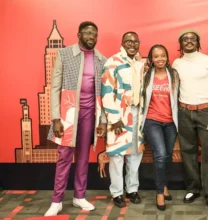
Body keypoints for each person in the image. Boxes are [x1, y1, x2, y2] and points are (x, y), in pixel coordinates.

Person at [45, 21, 107, 216]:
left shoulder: (101, 59)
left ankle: (79, 196)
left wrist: (103, 119)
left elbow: (104, 93)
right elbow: (54, 87)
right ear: (78, 34)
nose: (91, 36)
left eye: (94, 34)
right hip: (68, 113)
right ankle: (57, 200)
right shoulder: (64, 54)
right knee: (64, 155)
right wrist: (55, 118)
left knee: (82, 156)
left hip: (90, 113)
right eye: (87, 32)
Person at [172, 29, 208, 213]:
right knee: (188, 152)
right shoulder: (177, 63)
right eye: (185, 39)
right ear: (181, 43)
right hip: (184, 112)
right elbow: (174, 90)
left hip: (205, 112)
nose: (189, 41)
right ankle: (193, 189)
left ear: (198, 42)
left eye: (193, 38)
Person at [101, 32, 145, 208]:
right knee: (117, 156)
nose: (132, 44)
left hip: (137, 114)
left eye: (135, 41)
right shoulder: (112, 62)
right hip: (119, 115)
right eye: (128, 41)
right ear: (122, 43)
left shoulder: (141, 63)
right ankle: (117, 192)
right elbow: (106, 91)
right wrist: (114, 118)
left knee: (135, 153)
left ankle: (132, 189)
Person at [141, 44, 179, 211]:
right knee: (160, 155)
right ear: (151, 59)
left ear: (167, 57)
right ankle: (159, 193)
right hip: (152, 121)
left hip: (171, 122)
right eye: (156, 56)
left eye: (162, 55)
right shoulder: (146, 76)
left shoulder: (174, 75)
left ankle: (164, 185)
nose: (160, 59)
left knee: (168, 155)